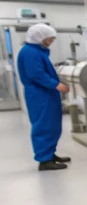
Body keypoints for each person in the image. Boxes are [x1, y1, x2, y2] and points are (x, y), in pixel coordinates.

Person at [17, 23, 71, 171]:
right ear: (39, 37)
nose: (51, 41)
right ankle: (44, 160)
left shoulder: (38, 51)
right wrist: (56, 85)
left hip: (46, 93)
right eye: (49, 38)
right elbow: (36, 74)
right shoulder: (30, 52)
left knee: (52, 125)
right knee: (43, 125)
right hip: (39, 94)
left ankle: (50, 154)